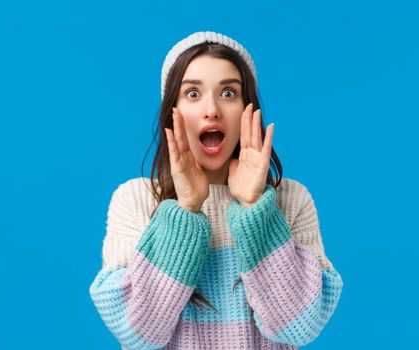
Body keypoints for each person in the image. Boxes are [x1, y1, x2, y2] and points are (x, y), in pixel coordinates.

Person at [89, 31, 343, 350]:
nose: (211, 110)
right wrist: (185, 209)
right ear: (173, 111)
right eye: (193, 93)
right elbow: (137, 333)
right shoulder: (135, 200)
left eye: (228, 93)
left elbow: (300, 327)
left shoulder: (290, 201)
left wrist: (255, 208)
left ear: (247, 109)